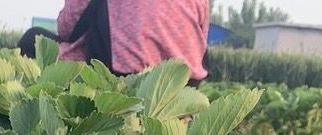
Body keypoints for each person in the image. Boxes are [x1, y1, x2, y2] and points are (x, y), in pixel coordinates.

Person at [19, 0, 210, 84]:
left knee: (33, 38)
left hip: (123, 74)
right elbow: (202, 35)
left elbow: (67, 28)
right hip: (184, 80)